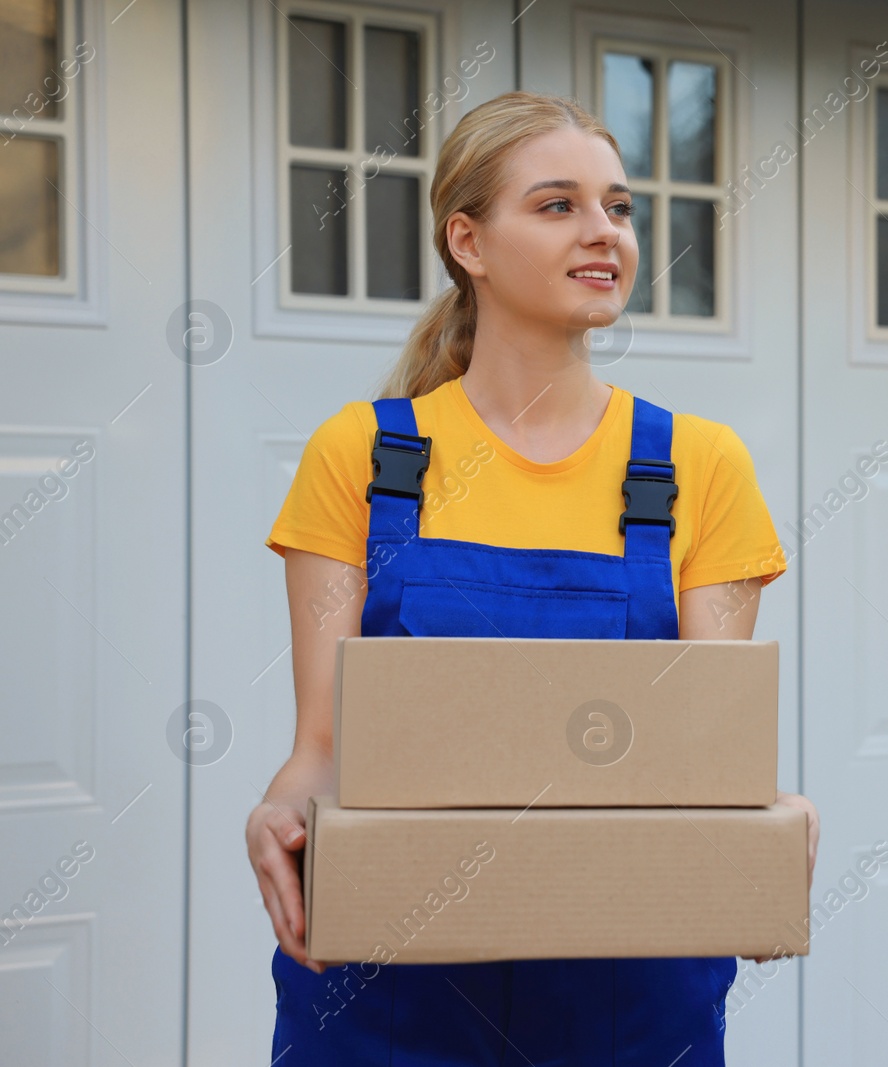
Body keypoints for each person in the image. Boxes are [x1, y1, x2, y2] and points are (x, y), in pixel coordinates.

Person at [244, 90, 819, 1065]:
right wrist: (281, 809)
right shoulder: (364, 458)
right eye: (558, 205)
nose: (604, 233)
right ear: (467, 241)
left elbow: (704, 766)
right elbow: (323, 744)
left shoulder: (695, 468)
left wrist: (770, 824)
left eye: (619, 206)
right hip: (391, 992)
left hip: (626, 997)